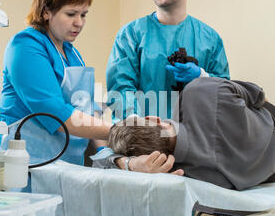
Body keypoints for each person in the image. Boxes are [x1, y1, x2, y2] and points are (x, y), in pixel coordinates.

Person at [0, 0, 112, 169]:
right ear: (46, 12)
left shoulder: (73, 55)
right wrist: (117, 131)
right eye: (71, 13)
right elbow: (55, 113)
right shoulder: (25, 45)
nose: (79, 23)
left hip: (66, 165)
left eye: (83, 14)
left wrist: (104, 152)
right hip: (22, 163)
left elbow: (86, 111)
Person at [106, 0, 230, 122]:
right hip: (144, 139)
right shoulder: (130, 35)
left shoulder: (210, 39)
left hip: (196, 138)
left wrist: (202, 76)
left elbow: (226, 93)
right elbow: (121, 88)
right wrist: (137, 128)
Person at [104, 77, 275, 191]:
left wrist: (127, 164)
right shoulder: (198, 92)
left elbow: (101, 162)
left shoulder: (188, 177)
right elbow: (258, 96)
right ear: (154, 119)